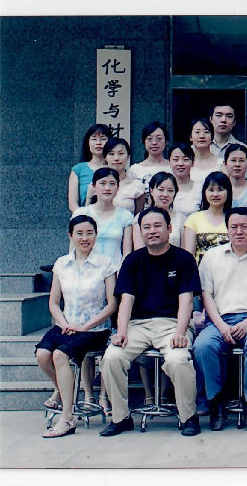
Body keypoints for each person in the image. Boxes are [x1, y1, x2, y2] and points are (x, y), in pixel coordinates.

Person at [99, 207, 202, 437]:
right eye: (146, 227)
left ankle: (188, 416)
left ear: (169, 228)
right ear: (140, 232)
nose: (152, 231)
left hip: (172, 324)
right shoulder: (133, 261)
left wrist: (180, 332)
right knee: (112, 357)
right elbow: (126, 300)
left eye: (157, 226)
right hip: (138, 326)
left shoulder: (184, 259)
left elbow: (186, 301)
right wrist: (121, 331)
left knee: (178, 359)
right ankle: (121, 417)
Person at [193, 207, 247, 432]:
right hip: (219, 319)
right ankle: (216, 402)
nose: (239, 231)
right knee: (202, 346)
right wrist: (220, 325)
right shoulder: (212, 257)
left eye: (244, 226)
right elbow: (206, 295)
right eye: (234, 227)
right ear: (227, 229)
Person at [37, 215, 117, 438]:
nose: (85, 238)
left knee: (60, 355)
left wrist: (85, 326)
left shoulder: (106, 264)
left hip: (95, 329)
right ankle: (63, 390)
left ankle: (67, 418)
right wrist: (64, 324)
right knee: (43, 355)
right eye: (79, 233)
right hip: (66, 324)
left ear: (96, 235)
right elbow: (54, 303)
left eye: (89, 233)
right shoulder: (61, 264)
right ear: (70, 236)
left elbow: (112, 304)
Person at [73, 167, 134, 270]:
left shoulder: (125, 216)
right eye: (102, 183)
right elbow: (73, 248)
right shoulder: (81, 213)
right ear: (94, 186)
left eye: (112, 184)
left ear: (118, 187)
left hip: (114, 271)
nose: (107, 188)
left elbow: (127, 253)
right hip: (86, 271)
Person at [182, 171, 231, 265]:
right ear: (204, 192)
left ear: (228, 192)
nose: (215, 194)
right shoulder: (193, 219)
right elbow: (189, 256)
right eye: (211, 190)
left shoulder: (233, 219)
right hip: (200, 271)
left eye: (220, 189)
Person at [87, 137, 145, 215]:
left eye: (121, 154)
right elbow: (87, 213)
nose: (116, 158)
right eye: (111, 154)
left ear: (128, 157)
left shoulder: (137, 186)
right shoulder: (95, 185)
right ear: (105, 157)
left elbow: (138, 218)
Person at [132, 172, 186, 248]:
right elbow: (139, 250)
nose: (165, 194)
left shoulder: (181, 219)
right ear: (151, 191)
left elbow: (184, 251)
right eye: (161, 189)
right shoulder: (140, 217)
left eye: (170, 190)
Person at [68, 123, 111, 213]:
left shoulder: (114, 169)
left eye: (103, 139)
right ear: (88, 142)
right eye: (94, 139)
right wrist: (84, 217)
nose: (98, 143)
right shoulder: (78, 169)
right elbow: (72, 204)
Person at [127, 122, 171, 193]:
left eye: (159, 138)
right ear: (144, 142)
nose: (154, 143)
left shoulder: (173, 167)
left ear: (166, 142)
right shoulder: (134, 170)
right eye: (149, 139)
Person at [168, 143, 201, 219]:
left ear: (193, 162)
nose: (180, 164)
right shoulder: (163, 189)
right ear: (169, 162)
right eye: (175, 160)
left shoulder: (200, 188)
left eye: (185, 160)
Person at [189, 119, 224, 188]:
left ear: (212, 137)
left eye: (206, 132)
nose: (202, 136)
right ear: (191, 137)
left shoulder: (221, 164)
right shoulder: (184, 163)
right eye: (197, 132)